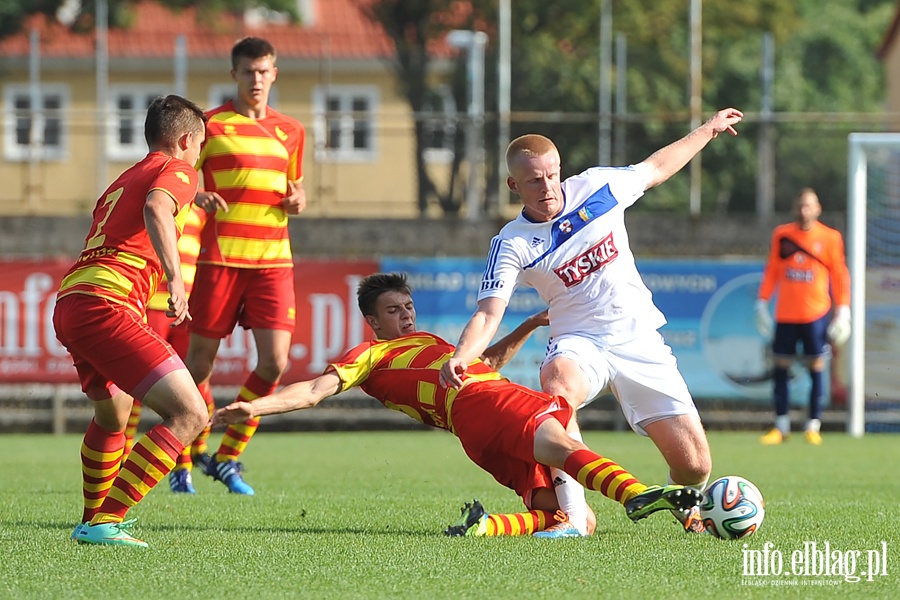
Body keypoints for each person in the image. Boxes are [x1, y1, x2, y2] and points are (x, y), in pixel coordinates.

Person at [439, 108, 745, 534]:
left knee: (694, 466)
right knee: (557, 383)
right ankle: (574, 517)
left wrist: (708, 130)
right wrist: (461, 355)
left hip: (638, 340)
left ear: (560, 169)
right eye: (533, 180)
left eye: (551, 175)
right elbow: (490, 312)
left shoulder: (599, 187)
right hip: (580, 341)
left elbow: (655, 168)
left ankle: (689, 506)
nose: (546, 187)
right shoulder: (511, 243)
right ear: (514, 185)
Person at [212, 273, 703, 538]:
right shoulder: (371, 355)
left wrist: (528, 326)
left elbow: (485, 358)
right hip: (480, 402)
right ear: (372, 321)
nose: (405, 316)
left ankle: (490, 528)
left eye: (407, 307)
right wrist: (256, 408)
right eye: (393, 311)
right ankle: (637, 494)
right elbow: (316, 390)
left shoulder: (429, 342)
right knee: (559, 420)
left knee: (567, 514)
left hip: (474, 425)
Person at [52, 94, 210, 547]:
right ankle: (105, 521)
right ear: (184, 140)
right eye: (199, 146)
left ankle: (94, 521)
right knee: (190, 413)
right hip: (107, 303)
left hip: (73, 301)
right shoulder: (178, 170)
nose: (198, 156)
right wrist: (176, 281)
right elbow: (158, 209)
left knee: (113, 412)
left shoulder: (123, 179)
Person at [186, 36, 307, 496]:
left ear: (274, 73)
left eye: (264, 71)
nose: (256, 79)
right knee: (198, 364)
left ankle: (227, 455)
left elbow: (296, 190)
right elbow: (177, 176)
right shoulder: (210, 125)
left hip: (273, 260)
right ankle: (180, 455)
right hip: (219, 259)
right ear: (234, 74)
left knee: (274, 362)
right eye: (248, 72)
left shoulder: (291, 130)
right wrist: (196, 195)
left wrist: (298, 199)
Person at [122, 202, 216, 494]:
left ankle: (193, 456)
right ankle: (123, 461)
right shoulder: (155, 202)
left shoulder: (202, 210)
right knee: (135, 389)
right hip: (152, 304)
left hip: (189, 309)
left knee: (198, 386)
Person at [755, 188, 851, 446]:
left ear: (818, 209)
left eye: (809, 206)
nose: (804, 210)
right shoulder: (782, 235)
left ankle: (813, 426)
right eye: (800, 205)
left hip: (816, 314)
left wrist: (843, 309)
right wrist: (762, 302)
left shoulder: (830, 237)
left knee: (816, 368)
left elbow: (839, 274)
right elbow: (773, 270)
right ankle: (781, 426)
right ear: (795, 208)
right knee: (780, 368)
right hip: (786, 314)